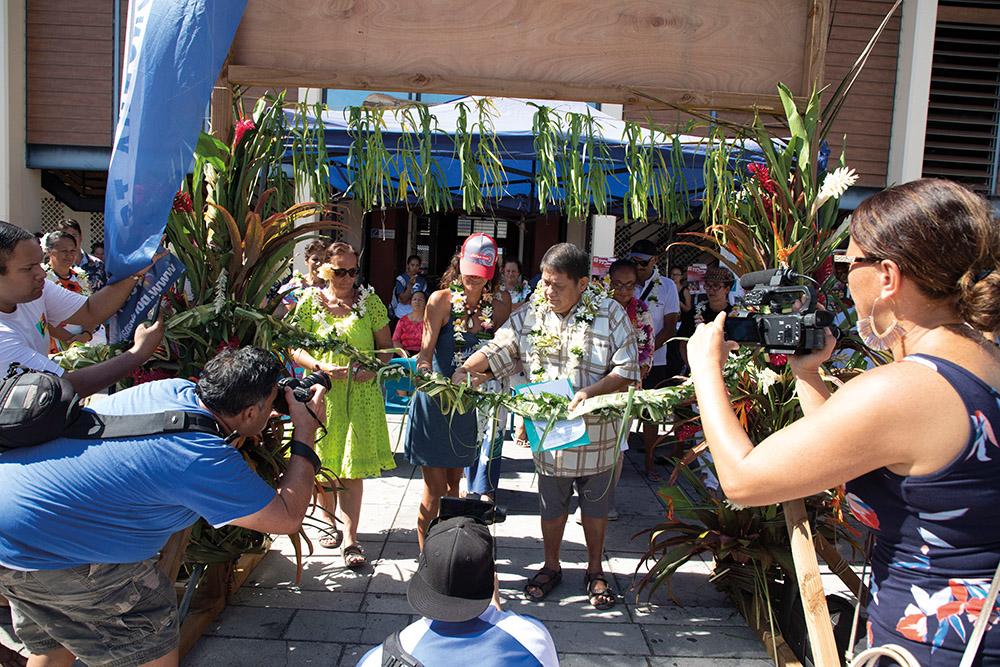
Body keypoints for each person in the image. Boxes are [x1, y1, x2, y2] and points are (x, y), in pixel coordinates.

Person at [687, 178, 1000, 664]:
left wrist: (705, 370)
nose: (846, 281)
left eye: (849, 265)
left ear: (888, 277)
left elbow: (744, 481)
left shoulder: (905, 388)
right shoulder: (981, 362)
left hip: (940, 645)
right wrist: (808, 373)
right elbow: (849, 452)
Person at [0, 346, 327, 667]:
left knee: (57, 645)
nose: (273, 410)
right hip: (56, 552)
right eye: (271, 404)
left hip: (14, 525)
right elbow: (286, 517)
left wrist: (267, 400)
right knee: (149, 650)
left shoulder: (171, 390)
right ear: (250, 412)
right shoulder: (202, 457)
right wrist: (306, 431)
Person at [455, 243, 640, 610]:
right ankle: (551, 565)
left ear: (584, 283)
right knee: (551, 504)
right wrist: (465, 370)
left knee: (595, 507)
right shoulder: (532, 313)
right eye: (544, 283)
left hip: (598, 433)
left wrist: (590, 391)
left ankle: (594, 569)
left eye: (557, 285)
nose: (548, 292)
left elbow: (627, 368)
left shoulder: (611, 314)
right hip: (552, 434)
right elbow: (499, 348)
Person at [288, 242, 394, 567]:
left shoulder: (370, 303)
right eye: (339, 270)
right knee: (322, 465)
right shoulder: (310, 303)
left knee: (352, 470)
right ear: (325, 270)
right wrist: (319, 367)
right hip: (322, 396)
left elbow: (386, 349)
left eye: (352, 271)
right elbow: (292, 347)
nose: (347, 277)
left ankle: (351, 539)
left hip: (360, 399)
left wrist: (372, 368)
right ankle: (328, 523)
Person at [404, 235, 511, 550]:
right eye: (468, 267)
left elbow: (506, 356)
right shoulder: (441, 300)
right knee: (435, 489)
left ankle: (446, 551)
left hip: (468, 407)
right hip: (436, 403)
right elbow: (424, 356)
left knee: (455, 488)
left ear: (492, 270)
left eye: (480, 269)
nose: (473, 275)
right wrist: (428, 377)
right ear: (459, 264)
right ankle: (427, 557)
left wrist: (481, 377)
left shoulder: (501, 304)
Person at [357, 516, 559, 666]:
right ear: (491, 577)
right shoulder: (532, 636)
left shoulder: (381, 658)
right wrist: (496, 615)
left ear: (421, 577)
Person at [0, 221, 164, 397]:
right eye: (28, 268)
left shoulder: (37, 291)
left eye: (39, 264)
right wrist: (138, 353)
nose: (41, 273)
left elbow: (90, 310)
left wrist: (135, 272)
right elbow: (65, 387)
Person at [628, 239, 680, 481]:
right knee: (623, 410)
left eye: (643, 263)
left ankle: (650, 459)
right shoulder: (624, 283)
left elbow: (670, 327)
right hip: (625, 360)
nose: (638, 267)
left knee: (651, 413)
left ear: (655, 261)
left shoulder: (667, 287)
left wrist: (646, 355)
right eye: (634, 262)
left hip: (655, 361)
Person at [42, 230, 97, 352]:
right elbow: (41, 316)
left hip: (83, 342)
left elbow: (91, 308)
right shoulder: (42, 278)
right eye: (64, 251)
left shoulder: (81, 277)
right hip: (54, 342)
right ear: (49, 251)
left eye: (73, 251)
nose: (69, 255)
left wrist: (86, 334)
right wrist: (71, 339)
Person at [275, 239, 328, 317]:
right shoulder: (296, 284)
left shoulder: (331, 285)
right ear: (306, 261)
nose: (319, 263)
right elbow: (289, 318)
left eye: (323, 260)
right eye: (315, 259)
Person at [56, 219, 106, 292]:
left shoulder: (98, 265)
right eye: (67, 236)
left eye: (74, 235)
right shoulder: (57, 268)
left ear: (80, 237)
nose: (71, 240)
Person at [669, 265, 695, 370]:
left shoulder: (684, 291)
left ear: (681, 277)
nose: (674, 277)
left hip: (681, 323)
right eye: (672, 274)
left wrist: (679, 304)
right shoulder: (668, 289)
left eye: (677, 275)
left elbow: (689, 309)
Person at [391, 254, 428, 321]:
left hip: (417, 315)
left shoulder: (422, 281)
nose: (414, 268)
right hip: (402, 314)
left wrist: (410, 300)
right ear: (408, 265)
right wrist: (410, 286)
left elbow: (423, 299)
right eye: (412, 265)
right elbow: (404, 300)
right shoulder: (401, 279)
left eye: (417, 265)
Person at [392, 289, 427, 356]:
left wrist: (421, 355)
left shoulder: (429, 322)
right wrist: (402, 353)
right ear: (410, 303)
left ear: (425, 303)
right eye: (414, 299)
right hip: (405, 354)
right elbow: (395, 341)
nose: (417, 302)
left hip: (423, 354)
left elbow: (432, 343)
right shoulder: (402, 321)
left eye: (420, 300)